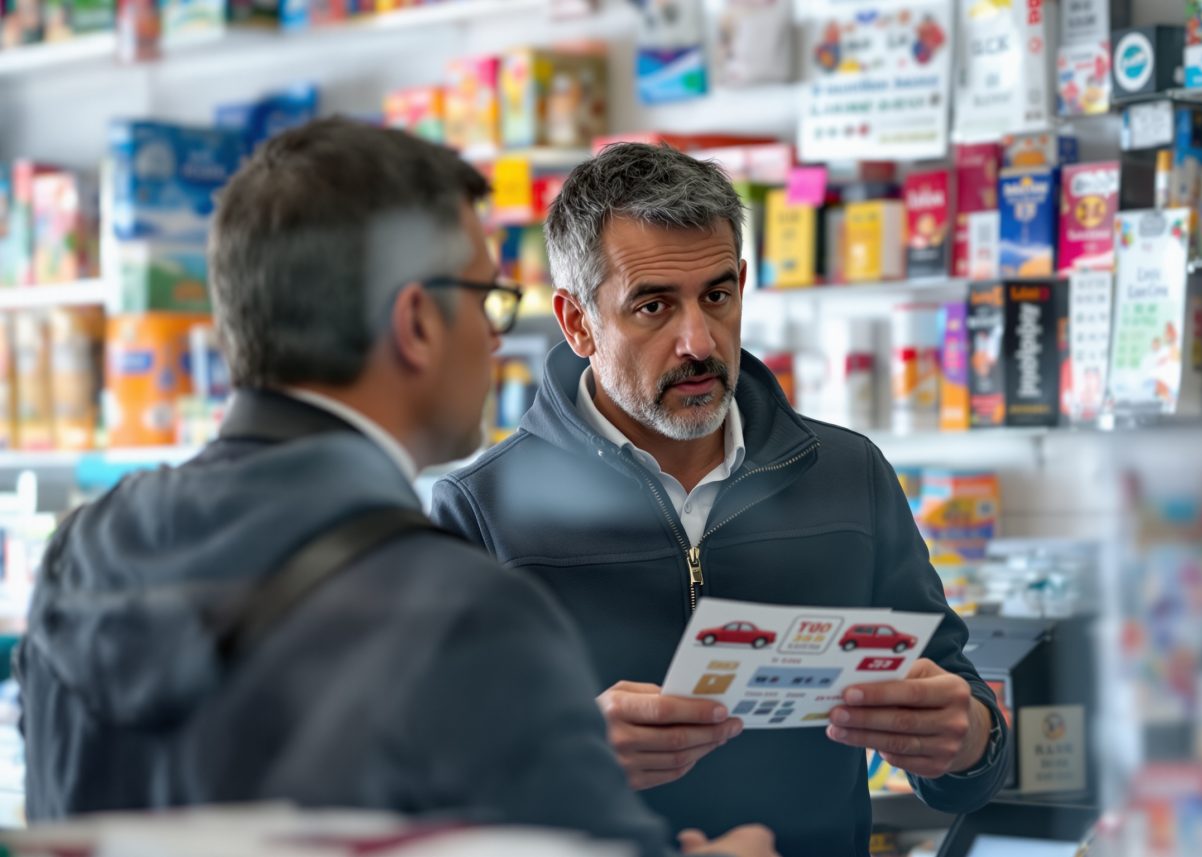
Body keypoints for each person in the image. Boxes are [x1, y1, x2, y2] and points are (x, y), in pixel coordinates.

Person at [15, 119, 774, 857]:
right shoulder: (455, 605)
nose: (493, 335)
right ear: (416, 324)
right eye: (484, 299)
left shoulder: (82, 550)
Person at [432, 143, 1010, 854]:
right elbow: (425, 790)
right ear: (577, 322)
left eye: (717, 295)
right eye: (653, 306)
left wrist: (966, 739)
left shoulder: (847, 473)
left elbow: (968, 741)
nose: (698, 342)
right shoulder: (480, 509)